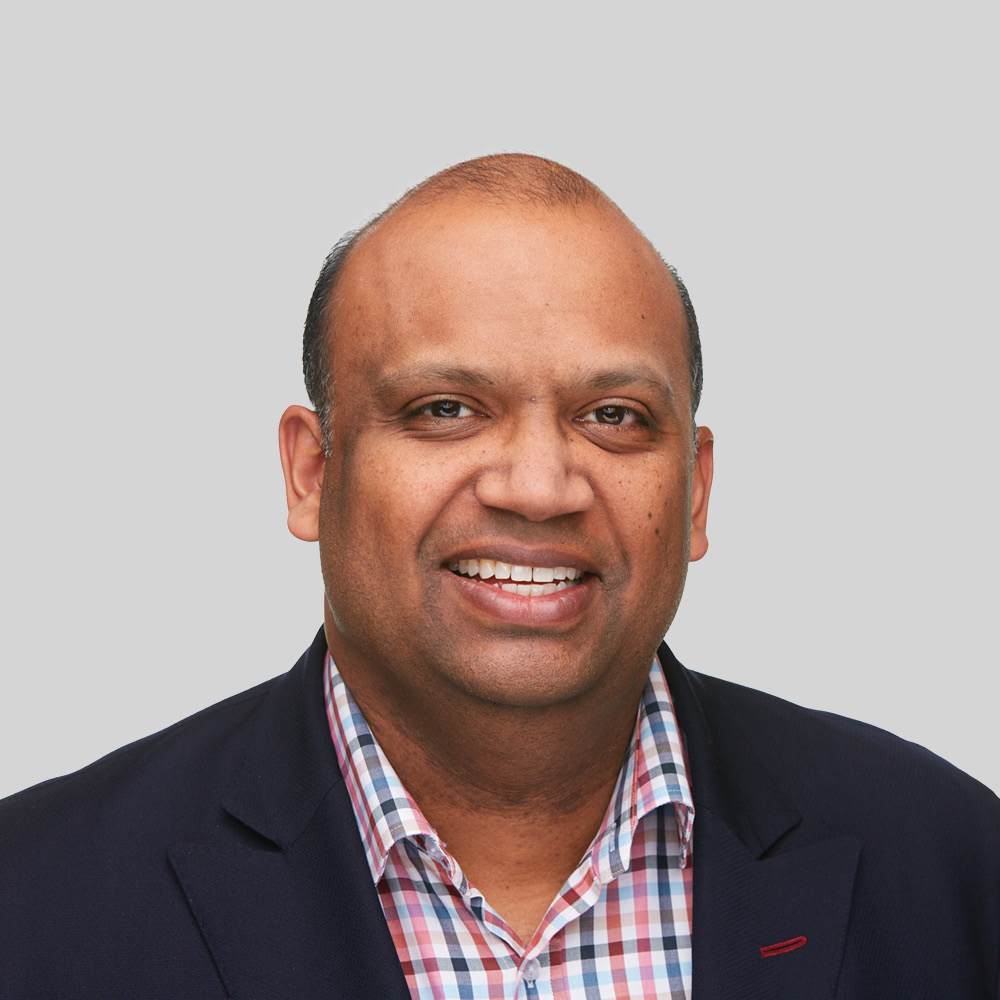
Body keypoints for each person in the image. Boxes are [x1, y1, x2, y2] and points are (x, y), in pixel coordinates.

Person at [1, 155, 997, 1000]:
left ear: (695, 492)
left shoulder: (954, 865)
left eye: (612, 416)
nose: (537, 487)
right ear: (311, 472)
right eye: (445, 409)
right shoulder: (35, 901)